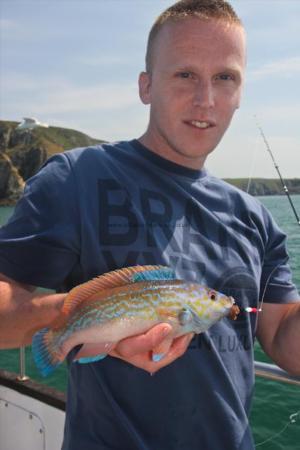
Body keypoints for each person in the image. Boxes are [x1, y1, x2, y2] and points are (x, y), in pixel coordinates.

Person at [0, 0, 299, 448]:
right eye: (184, 74)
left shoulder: (254, 217)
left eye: (225, 77)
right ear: (146, 86)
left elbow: (278, 333)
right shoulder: (75, 178)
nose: (206, 99)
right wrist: (93, 318)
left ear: (240, 92)